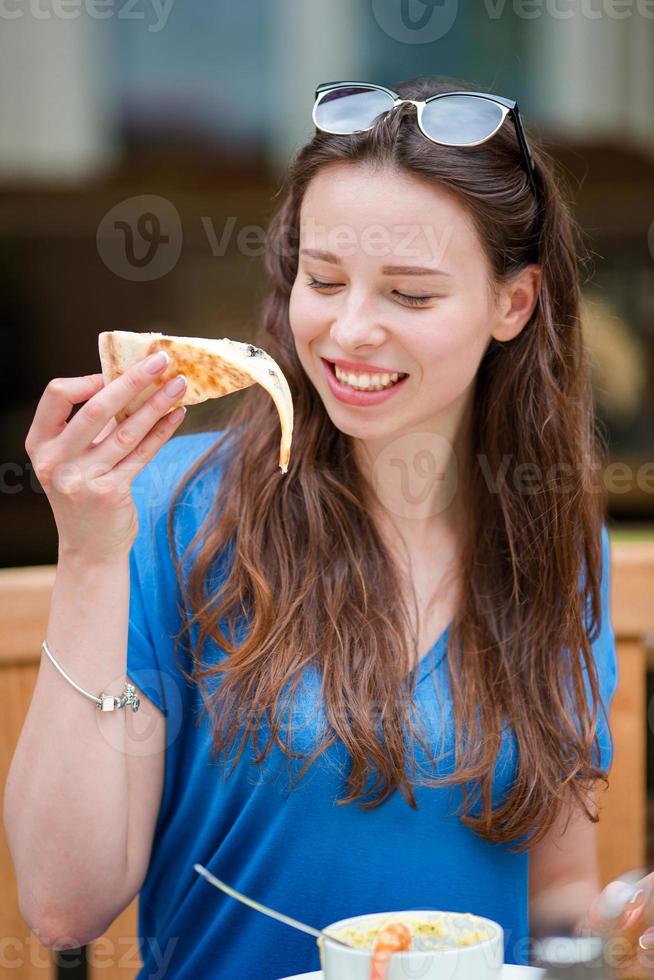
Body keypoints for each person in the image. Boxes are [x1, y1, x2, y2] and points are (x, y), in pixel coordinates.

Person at [6, 74, 644, 980]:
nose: (349, 331)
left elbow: (552, 906)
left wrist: (624, 925)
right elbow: (64, 904)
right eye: (324, 278)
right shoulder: (167, 511)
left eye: (410, 295)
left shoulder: (554, 538)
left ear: (514, 303)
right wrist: (89, 554)